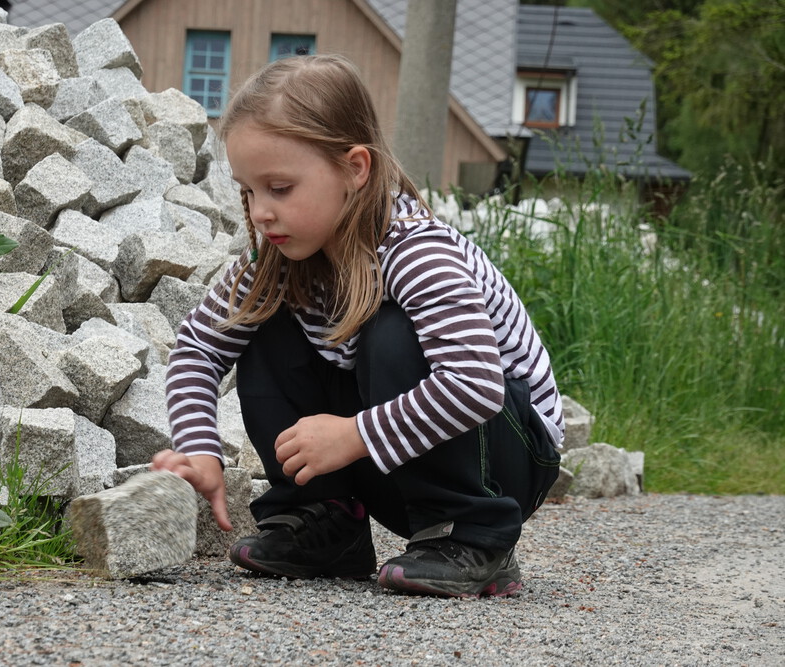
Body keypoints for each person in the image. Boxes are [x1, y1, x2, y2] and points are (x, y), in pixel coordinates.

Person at [151, 54, 563, 598]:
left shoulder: (417, 250)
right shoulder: (275, 262)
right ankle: (326, 520)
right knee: (262, 323)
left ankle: (472, 535)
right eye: (248, 191)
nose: (259, 213)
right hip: (399, 458)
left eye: (280, 188)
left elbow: (476, 385)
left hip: (504, 462)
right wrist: (200, 449)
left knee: (390, 331)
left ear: (355, 168)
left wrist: (352, 435)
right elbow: (196, 351)